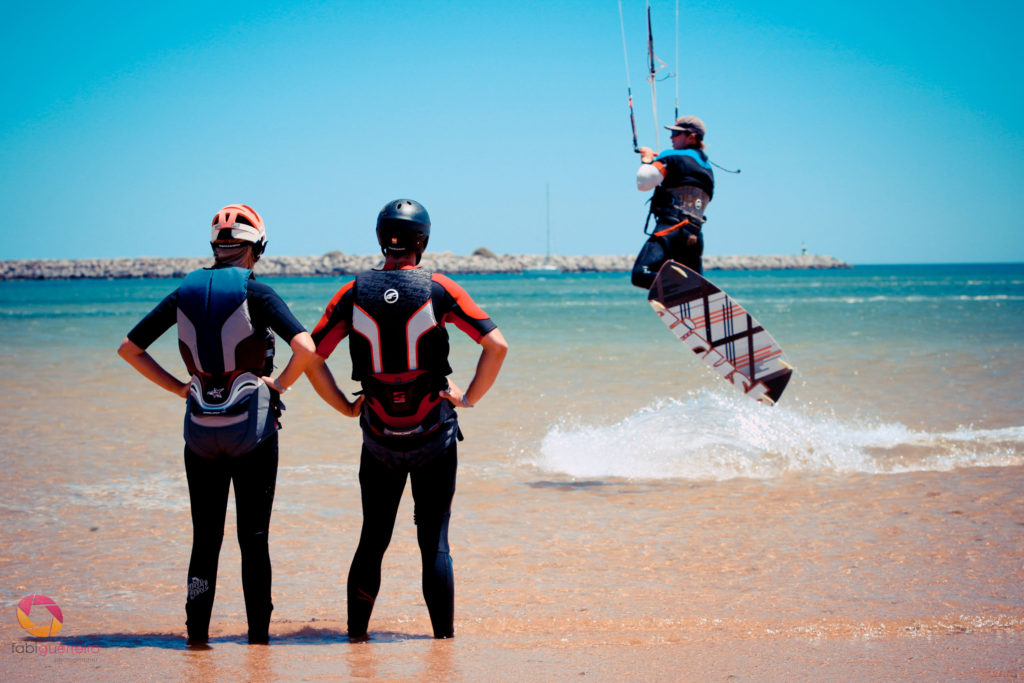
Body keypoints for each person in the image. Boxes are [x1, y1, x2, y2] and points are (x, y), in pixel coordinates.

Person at [117, 204, 323, 646]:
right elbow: (306, 347)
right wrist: (279, 386)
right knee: (254, 539)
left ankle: (196, 640)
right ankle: (258, 643)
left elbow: (129, 349)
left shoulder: (184, 292)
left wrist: (179, 389)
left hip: (199, 434)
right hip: (253, 432)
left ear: (216, 246)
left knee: (204, 539)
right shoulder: (258, 292)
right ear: (258, 248)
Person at [306, 198, 508, 641]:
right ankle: (442, 646)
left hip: (379, 436)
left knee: (373, 539)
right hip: (434, 434)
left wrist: (343, 404)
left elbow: (309, 354)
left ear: (382, 239)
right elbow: (497, 345)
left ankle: (356, 639)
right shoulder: (439, 288)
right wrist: (468, 397)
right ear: (424, 240)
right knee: (434, 543)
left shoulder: (351, 292)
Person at [631, 115, 716, 288]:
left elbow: (644, 182)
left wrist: (647, 160)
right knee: (695, 282)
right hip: (694, 236)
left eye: (677, 134)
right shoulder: (708, 168)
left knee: (641, 274)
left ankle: (686, 288)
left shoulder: (671, 156)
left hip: (671, 229)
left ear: (691, 137)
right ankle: (694, 290)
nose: (671, 138)